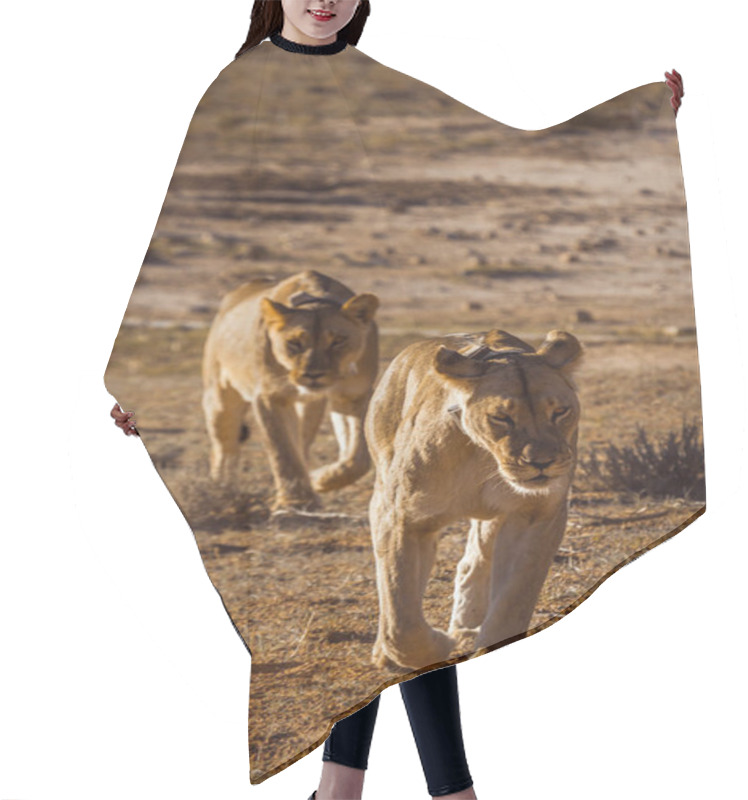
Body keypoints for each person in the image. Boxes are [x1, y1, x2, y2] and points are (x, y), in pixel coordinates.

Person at [109, 3, 684, 798]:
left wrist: (640, 123)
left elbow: (502, 152)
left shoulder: (384, 82)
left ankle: (345, 785)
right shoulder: (234, 86)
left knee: (404, 616)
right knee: (404, 613)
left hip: (373, 306)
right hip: (291, 300)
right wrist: (126, 377)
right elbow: (184, 210)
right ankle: (439, 789)